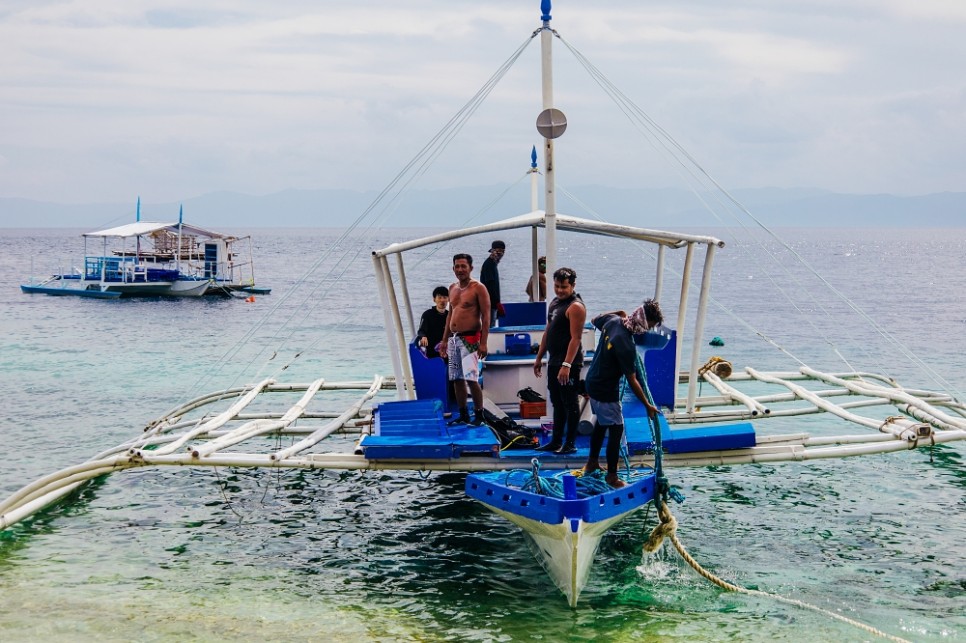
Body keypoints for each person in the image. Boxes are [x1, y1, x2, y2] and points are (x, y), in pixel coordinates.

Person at [583, 299, 664, 488]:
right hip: (605, 390)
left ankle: (592, 463)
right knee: (616, 430)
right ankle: (612, 477)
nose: (647, 330)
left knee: (602, 425)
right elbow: (632, 379)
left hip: (592, 382)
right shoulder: (626, 343)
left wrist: (618, 311)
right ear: (642, 320)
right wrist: (647, 405)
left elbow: (595, 320)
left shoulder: (613, 320)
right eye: (648, 326)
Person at [532, 267, 586, 454]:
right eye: (556, 286)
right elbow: (548, 331)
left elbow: (576, 338)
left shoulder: (576, 307)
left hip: (568, 364)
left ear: (572, 286)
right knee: (557, 402)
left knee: (570, 403)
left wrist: (567, 365)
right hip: (553, 361)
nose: (560, 290)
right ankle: (556, 441)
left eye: (564, 287)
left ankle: (569, 444)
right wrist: (539, 357)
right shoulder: (554, 303)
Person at [439, 254, 490, 426]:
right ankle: (463, 414)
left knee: (471, 378)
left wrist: (483, 342)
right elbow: (450, 315)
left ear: (471, 268)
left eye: (463, 266)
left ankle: (479, 414)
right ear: (453, 268)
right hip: (454, 339)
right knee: (456, 378)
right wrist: (444, 340)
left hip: (470, 338)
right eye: (457, 266)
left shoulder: (478, 288)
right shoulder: (452, 288)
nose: (460, 269)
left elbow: (486, 315)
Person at [415, 286, 449, 358]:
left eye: (445, 297)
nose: (442, 300)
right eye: (439, 297)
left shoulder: (450, 315)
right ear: (434, 299)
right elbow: (421, 331)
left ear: (448, 299)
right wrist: (423, 337)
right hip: (432, 352)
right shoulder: (427, 314)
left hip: (447, 350)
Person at [479, 240, 505, 327]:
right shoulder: (489, 265)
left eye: (502, 251)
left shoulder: (493, 264)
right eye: (498, 251)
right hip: (489, 305)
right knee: (489, 327)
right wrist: (497, 303)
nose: (500, 254)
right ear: (492, 251)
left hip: (492, 304)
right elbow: (490, 286)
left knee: (491, 325)